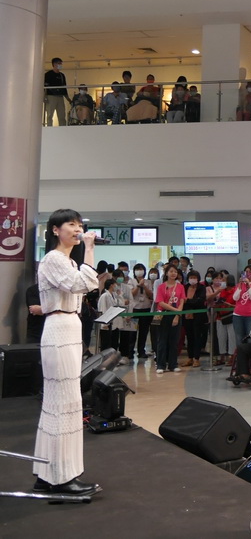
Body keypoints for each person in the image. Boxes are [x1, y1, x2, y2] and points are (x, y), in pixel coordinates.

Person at [32, 209, 100, 497]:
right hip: (59, 328)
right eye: (71, 224)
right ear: (55, 230)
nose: (77, 229)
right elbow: (83, 284)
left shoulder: (68, 261)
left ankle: (47, 473)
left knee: (60, 402)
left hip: (69, 326)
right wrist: (90, 250)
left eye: (80, 224)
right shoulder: (54, 259)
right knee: (64, 402)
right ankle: (61, 478)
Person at [154, 264, 185, 374]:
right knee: (162, 341)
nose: (173, 273)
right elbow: (160, 302)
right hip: (163, 315)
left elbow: (182, 301)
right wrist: (175, 310)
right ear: (166, 273)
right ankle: (160, 365)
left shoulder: (180, 287)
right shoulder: (161, 287)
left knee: (174, 341)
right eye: (171, 271)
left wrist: (177, 314)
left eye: (175, 272)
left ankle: (173, 364)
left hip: (176, 315)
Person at [180, 270, 207, 368]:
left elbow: (200, 301)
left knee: (197, 336)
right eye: (191, 277)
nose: (192, 279)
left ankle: (196, 358)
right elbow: (182, 300)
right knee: (189, 336)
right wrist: (190, 302)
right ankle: (190, 357)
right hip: (187, 315)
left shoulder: (202, 288)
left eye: (194, 277)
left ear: (198, 278)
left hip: (198, 316)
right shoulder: (184, 287)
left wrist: (188, 301)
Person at [232, 265, 251, 348]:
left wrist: (248, 285)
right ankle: (240, 354)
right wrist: (240, 286)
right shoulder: (239, 285)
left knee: (250, 337)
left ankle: (250, 355)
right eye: (246, 272)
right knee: (239, 337)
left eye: (250, 272)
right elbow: (235, 298)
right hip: (238, 315)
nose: (248, 274)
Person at [44, 58, 69, 127]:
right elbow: (45, 87)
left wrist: (67, 98)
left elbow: (64, 87)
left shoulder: (62, 75)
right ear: (54, 64)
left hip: (60, 96)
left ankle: (62, 128)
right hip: (51, 96)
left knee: (62, 114)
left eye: (61, 63)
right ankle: (49, 127)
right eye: (59, 63)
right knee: (50, 114)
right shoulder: (48, 74)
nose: (60, 65)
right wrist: (45, 97)